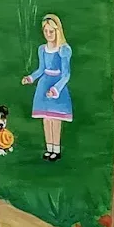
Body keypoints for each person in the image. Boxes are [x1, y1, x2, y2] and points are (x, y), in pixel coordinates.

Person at [21, 14, 72, 161]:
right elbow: (41, 68)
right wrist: (30, 78)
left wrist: (56, 89)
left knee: (55, 119)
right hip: (44, 85)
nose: (48, 34)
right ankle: (49, 148)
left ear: (58, 31)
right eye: (46, 31)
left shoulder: (64, 49)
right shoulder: (42, 49)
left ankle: (56, 149)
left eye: (51, 31)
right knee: (46, 118)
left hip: (56, 87)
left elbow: (66, 74)